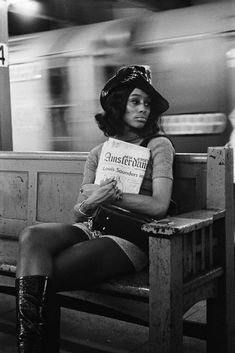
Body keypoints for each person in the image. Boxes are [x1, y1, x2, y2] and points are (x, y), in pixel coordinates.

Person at [15, 65, 175, 353]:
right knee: (32, 236)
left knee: (47, 276)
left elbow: (159, 206)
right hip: (92, 227)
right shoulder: (98, 153)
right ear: (118, 105)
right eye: (135, 101)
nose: (143, 110)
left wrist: (111, 196)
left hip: (130, 236)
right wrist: (94, 200)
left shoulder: (159, 145)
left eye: (148, 104)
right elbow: (79, 212)